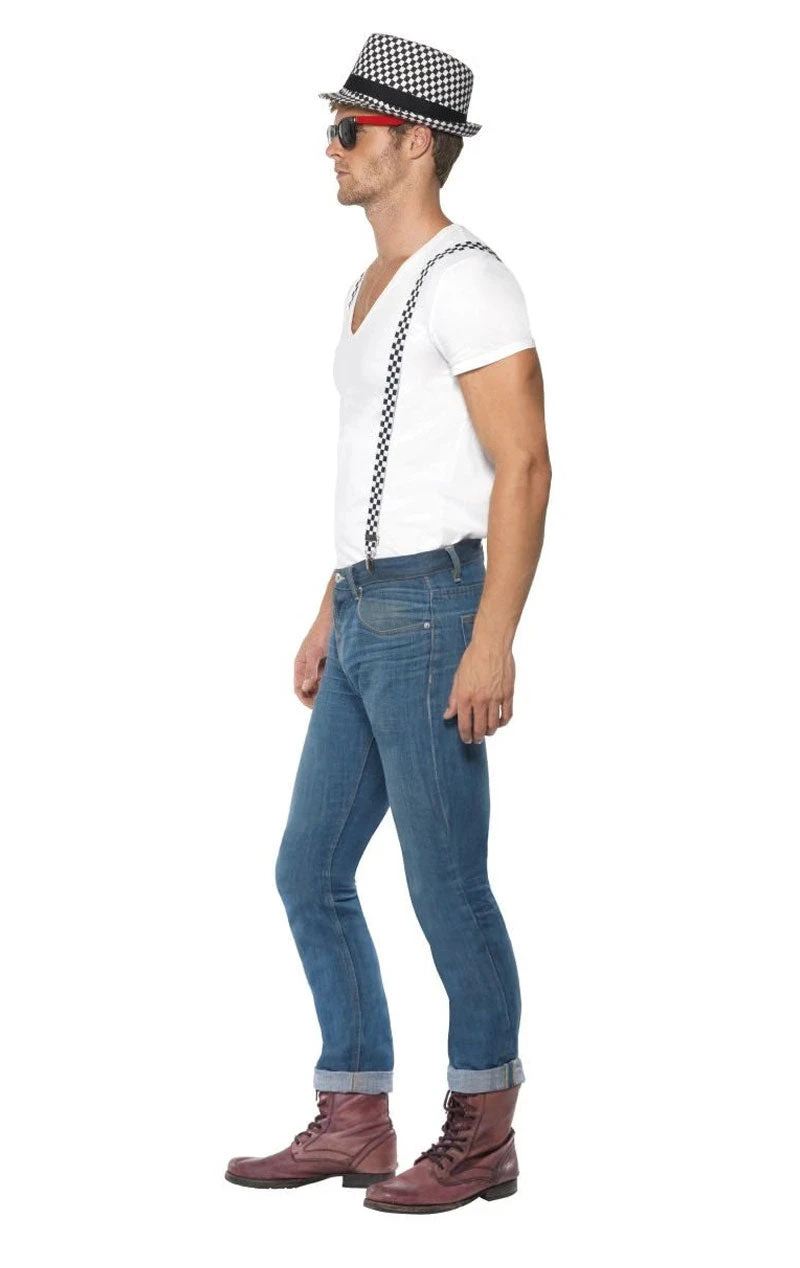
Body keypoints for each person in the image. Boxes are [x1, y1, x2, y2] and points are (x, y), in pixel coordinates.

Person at [225, 32, 551, 1215]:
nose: (331, 147)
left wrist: (491, 636)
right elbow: (383, 463)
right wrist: (329, 605)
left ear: (414, 141)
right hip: (368, 610)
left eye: (348, 129)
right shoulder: (365, 289)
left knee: (444, 883)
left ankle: (481, 1131)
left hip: (433, 613)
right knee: (308, 869)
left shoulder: (469, 279)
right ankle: (355, 1112)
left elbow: (523, 465)